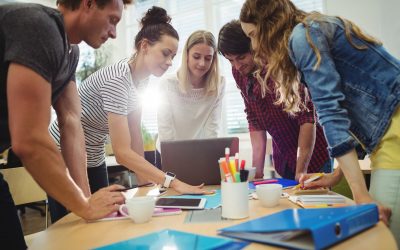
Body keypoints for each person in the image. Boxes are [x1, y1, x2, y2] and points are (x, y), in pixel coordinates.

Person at [239, 0, 398, 238]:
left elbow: (331, 112)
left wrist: (360, 193)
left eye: (252, 34)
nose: (253, 45)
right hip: (388, 133)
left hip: (395, 132)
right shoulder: (312, 28)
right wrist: (336, 175)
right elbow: (350, 113)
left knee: (379, 233)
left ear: (268, 26)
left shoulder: (303, 38)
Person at [48, 6, 209, 222]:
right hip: (63, 150)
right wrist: (173, 182)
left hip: (93, 153)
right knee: (73, 224)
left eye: (173, 55)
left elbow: (135, 134)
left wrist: (145, 183)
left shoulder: (142, 80)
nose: (170, 62)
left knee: (101, 220)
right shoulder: (117, 79)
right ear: (144, 46)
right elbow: (122, 152)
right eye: (165, 53)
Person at [0, 0, 132, 249]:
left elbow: (71, 121)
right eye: (112, 20)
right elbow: (29, 140)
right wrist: (83, 206)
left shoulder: (70, 51)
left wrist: (85, 202)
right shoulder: (39, 26)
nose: (114, 33)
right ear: (88, 4)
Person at [217, 20, 331, 180]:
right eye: (230, 60)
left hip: (313, 156)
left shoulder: (281, 68)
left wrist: (301, 171)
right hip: (284, 158)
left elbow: (307, 119)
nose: (236, 66)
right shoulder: (240, 73)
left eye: (241, 57)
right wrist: (257, 173)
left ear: (254, 46)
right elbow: (254, 118)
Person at [156, 30, 225, 166]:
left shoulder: (219, 84)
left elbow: (213, 129)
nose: (202, 64)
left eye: (208, 58)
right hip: (168, 152)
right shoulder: (168, 84)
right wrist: (176, 160)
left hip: (198, 154)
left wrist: (210, 160)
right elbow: (166, 130)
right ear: (186, 55)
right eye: (196, 56)